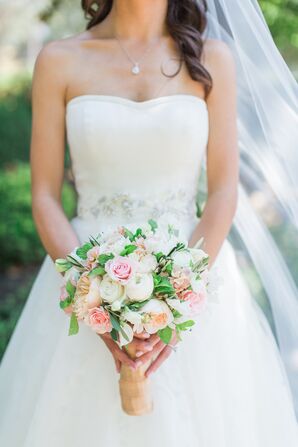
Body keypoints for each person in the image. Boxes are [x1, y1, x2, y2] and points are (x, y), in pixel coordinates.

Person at [0, 1, 297, 446]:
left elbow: (222, 193)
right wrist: (92, 296)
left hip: (194, 279)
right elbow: (44, 196)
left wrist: (177, 303)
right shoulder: (58, 60)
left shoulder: (213, 59)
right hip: (84, 271)